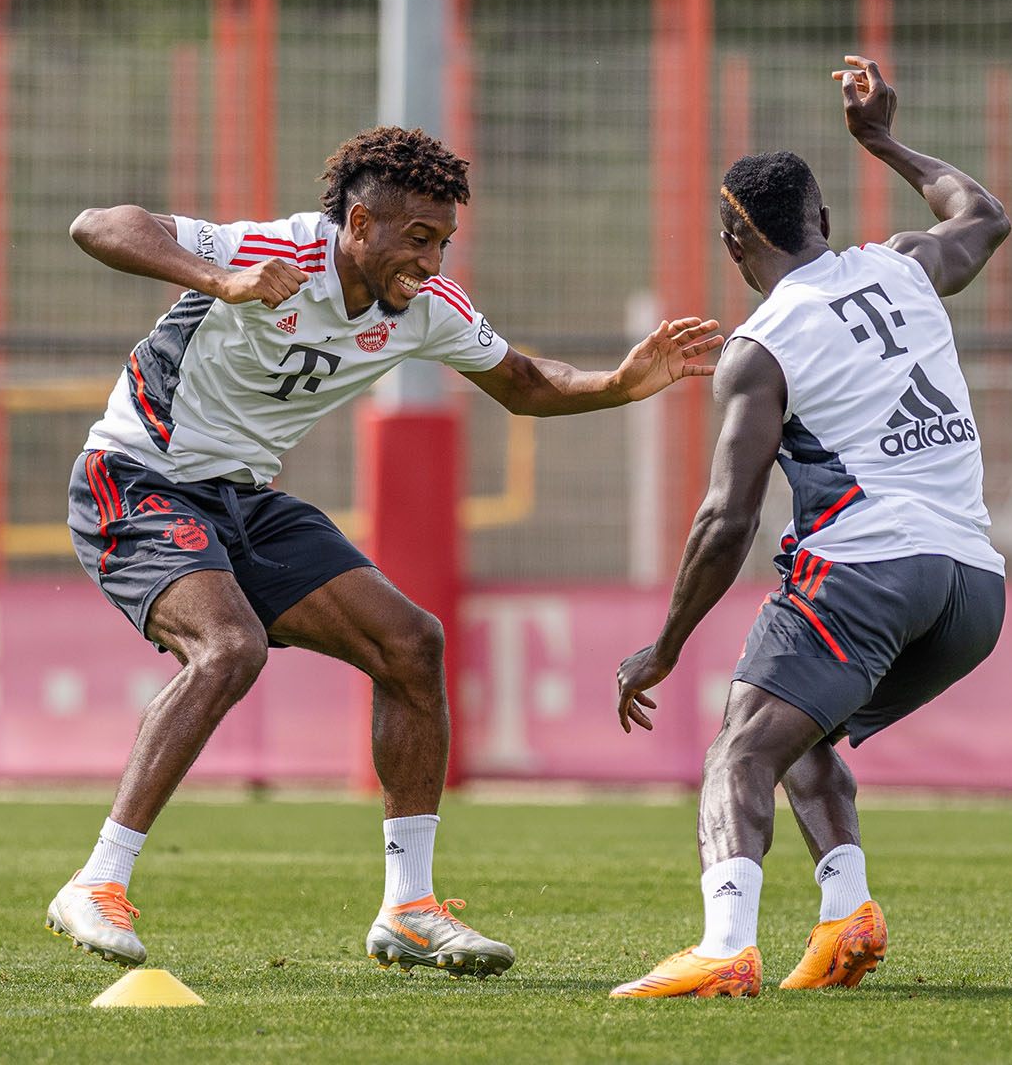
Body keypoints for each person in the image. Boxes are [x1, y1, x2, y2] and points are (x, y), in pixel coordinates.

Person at [48, 126, 723, 980]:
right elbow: (98, 224)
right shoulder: (276, 249)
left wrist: (620, 385)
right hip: (137, 477)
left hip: (242, 499)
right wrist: (224, 280)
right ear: (359, 224)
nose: (433, 261)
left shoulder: (428, 306)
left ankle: (408, 909)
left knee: (412, 643)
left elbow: (520, 382)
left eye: (442, 242)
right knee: (229, 647)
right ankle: (97, 883)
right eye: (418, 239)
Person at [608, 56, 1012, 999]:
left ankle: (723, 949)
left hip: (869, 569)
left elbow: (726, 518)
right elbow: (984, 215)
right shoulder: (904, 266)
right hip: (973, 588)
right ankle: (846, 918)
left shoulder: (763, 345)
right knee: (800, 731)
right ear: (824, 221)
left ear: (730, 243)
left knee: (741, 748)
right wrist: (883, 142)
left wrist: (664, 645)